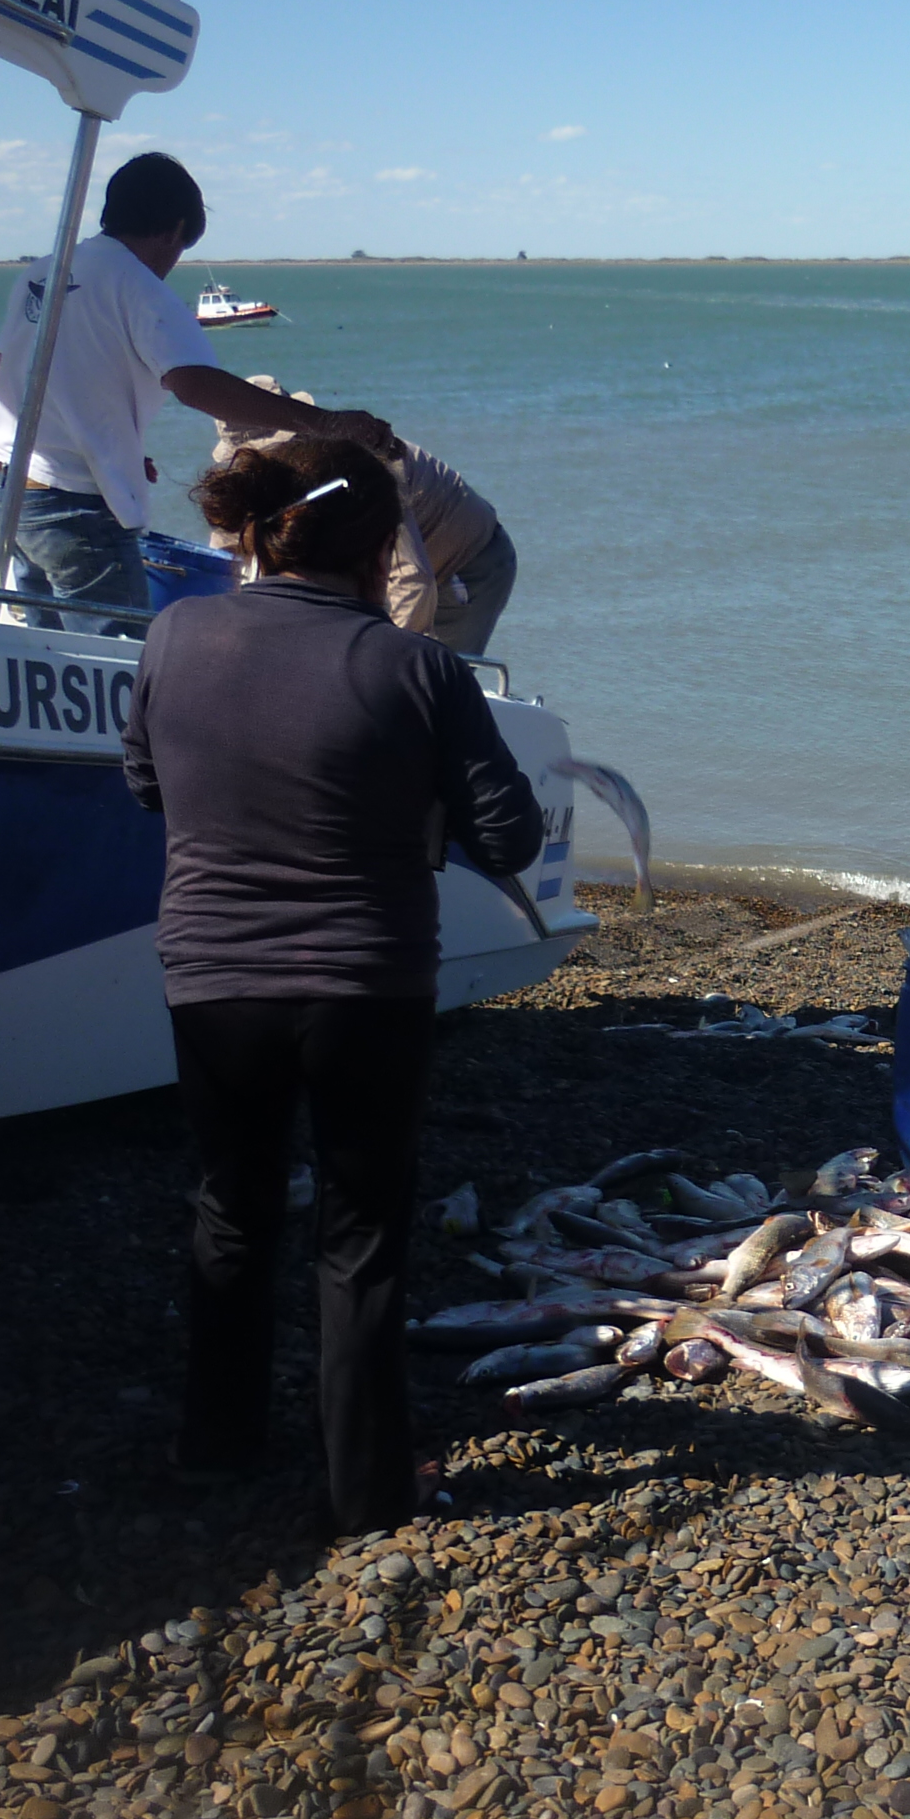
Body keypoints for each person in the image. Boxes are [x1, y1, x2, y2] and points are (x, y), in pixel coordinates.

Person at [122, 436, 543, 1536]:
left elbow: (144, 783)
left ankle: (215, 1444)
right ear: (380, 549)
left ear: (262, 530)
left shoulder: (173, 635)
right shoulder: (419, 668)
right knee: (359, 1239)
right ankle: (365, 1488)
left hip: (214, 974)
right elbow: (508, 831)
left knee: (231, 1208)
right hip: (366, 980)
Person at [0, 152, 391, 632]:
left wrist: (116, 447)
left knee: (46, 658)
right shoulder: (140, 287)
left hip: (6, 487)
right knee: (117, 667)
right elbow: (197, 386)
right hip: (74, 508)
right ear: (175, 230)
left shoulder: (43, 271)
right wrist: (327, 423)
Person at [213, 378, 519, 655]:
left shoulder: (361, 469)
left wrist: (391, 665)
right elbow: (222, 562)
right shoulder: (262, 483)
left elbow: (413, 579)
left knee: (432, 684)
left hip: (465, 564)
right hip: (390, 569)